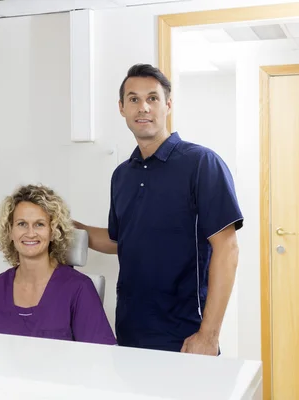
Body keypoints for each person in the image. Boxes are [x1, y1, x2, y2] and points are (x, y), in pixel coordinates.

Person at [75, 63, 243, 355]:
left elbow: (227, 248)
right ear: (121, 108)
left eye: (152, 98)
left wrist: (208, 335)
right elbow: (119, 241)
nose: (143, 107)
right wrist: (67, 227)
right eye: (133, 99)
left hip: (186, 335)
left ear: (167, 104)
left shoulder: (201, 163)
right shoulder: (122, 175)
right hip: (130, 331)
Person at [0, 184, 117, 345]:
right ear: (10, 231)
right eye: (22, 224)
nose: (30, 233)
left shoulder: (78, 289)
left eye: (39, 224)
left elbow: (100, 360)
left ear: (53, 232)